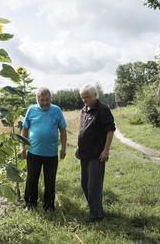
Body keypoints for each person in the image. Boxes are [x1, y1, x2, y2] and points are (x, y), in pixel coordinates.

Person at [21, 87, 67, 212]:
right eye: (42, 100)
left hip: (51, 154)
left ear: (50, 98)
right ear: (37, 99)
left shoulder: (56, 110)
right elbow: (24, 129)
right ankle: (30, 204)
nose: (45, 103)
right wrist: (22, 147)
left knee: (50, 181)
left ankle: (49, 206)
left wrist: (63, 148)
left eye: (47, 100)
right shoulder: (31, 110)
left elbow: (63, 130)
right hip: (33, 153)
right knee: (31, 179)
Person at [76, 84, 115, 222]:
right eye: (82, 97)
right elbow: (81, 130)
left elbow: (110, 130)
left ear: (94, 95)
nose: (84, 100)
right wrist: (78, 147)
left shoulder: (102, 109)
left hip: (97, 154)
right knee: (85, 183)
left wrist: (106, 150)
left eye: (87, 97)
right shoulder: (84, 110)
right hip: (84, 154)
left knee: (94, 185)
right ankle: (96, 208)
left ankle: (96, 215)